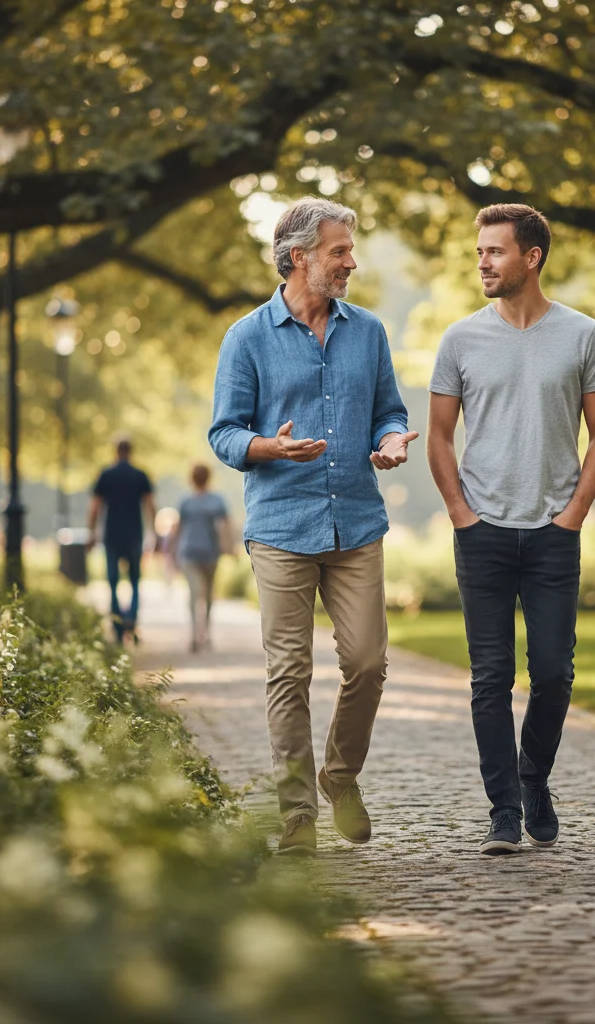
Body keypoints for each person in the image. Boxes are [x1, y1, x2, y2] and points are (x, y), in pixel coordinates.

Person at [209, 197, 418, 856]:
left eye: (350, 251)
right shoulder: (247, 337)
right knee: (288, 672)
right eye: (339, 251)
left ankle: (340, 775)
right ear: (298, 256)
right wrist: (270, 447)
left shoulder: (369, 333)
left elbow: (390, 409)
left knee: (368, 663)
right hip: (280, 523)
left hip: (356, 519)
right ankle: (297, 813)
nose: (350, 262)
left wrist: (391, 443)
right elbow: (224, 433)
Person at [427, 204, 595, 855]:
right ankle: (503, 810)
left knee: (556, 673)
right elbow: (440, 437)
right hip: (481, 533)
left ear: (531, 257)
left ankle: (534, 778)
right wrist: (460, 514)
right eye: (479, 251)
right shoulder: (459, 340)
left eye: (494, 252)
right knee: (489, 677)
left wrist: (573, 517)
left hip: (552, 536)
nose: (482, 261)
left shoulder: (583, 335)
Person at [87, 437, 155, 643]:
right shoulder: (140, 475)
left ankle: (117, 624)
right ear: (130, 451)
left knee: (113, 582)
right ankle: (131, 619)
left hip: (112, 535)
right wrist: (154, 532)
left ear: (115, 451)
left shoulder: (106, 475)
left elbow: (95, 506)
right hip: (134, 534)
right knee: (134, 581)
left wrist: (91, 532)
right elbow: (150, 505)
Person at [167, 463, 233, 653]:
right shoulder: (216, 501)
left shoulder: (186, 501)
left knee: (196, 594)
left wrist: (171, 552)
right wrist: (229, 548)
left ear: (191, 478)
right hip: (207, 554)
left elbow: (177, 530)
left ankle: (199, 634)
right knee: (205, 594)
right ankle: (200, 634)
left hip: (191, 553)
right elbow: (225, 527)